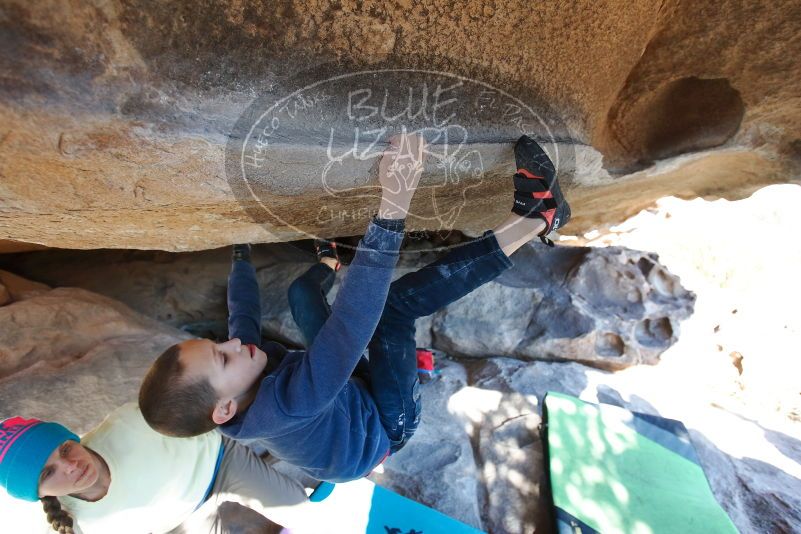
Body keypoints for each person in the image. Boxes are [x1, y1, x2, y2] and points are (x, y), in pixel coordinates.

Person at [138, 133, 570, 483]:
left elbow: (243, 316)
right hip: (385, 424)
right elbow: (351, 323)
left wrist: (239, 248)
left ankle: (329, 259)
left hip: (346, 400)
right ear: (225, 410)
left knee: (301, 295)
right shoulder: (289, 403)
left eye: (217, 343)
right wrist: (393, 205)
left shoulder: (237, 374)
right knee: (392, 311)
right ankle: (538, 217)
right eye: (222, 355)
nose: (232, 343)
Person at [0, 402, 313, 534]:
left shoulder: (127, 422)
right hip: (182, 517)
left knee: (303, 513)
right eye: (48, 473)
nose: (70, 465)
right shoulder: (86, 525)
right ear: (39, 494)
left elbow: (193, 410)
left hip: (219, 464)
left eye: (65, 448)